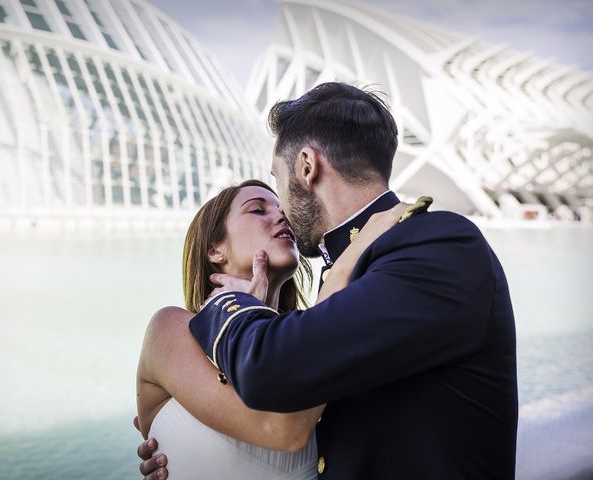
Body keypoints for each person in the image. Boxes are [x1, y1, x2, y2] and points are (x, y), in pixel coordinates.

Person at [139, 82, 518, 479]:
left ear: (307, 166)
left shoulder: (437, 244)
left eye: (277, 182)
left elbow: (279, 385)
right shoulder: (342, 287)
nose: (281, 211)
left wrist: (228, 304)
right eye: (258, 208)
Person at [135, 178, 409, 479]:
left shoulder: (306, 342)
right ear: (215, 250)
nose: (282, 215)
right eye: (257, 210)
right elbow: (282, 428)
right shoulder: (170, 329)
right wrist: (344, 267)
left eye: (281, 207)